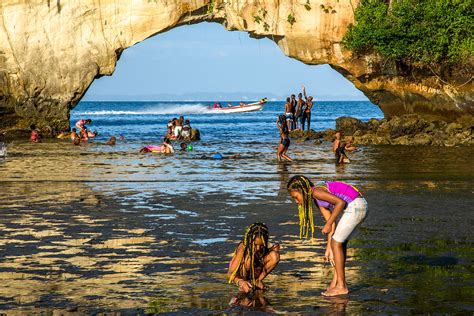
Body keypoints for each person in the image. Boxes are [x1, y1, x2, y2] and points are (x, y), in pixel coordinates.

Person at [287, 175, 368, 296]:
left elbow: (340, 203)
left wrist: (328, 225)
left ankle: (341, 286)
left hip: (356, 206)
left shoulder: (316, 192)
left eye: (296, 197)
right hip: (358, 206)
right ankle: (335, 283)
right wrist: (328, 248)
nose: (296, 201)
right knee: (339, 244)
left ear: (302, 191)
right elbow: (332, 223)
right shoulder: (316, 199)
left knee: (337, 243)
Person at [228, 223, 280, 293]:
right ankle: (247, 282)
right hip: (241, 278)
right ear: (250, 241)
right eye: (255, 245)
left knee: (275, 256)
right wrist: (240, 282)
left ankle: (257, 280)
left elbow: (273, 256)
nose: (258, 248)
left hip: (255, 276)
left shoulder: (267, 245)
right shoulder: (243, 248)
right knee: (249, 260)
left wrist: (272, 250)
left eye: (261, 245)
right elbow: (229, 274)